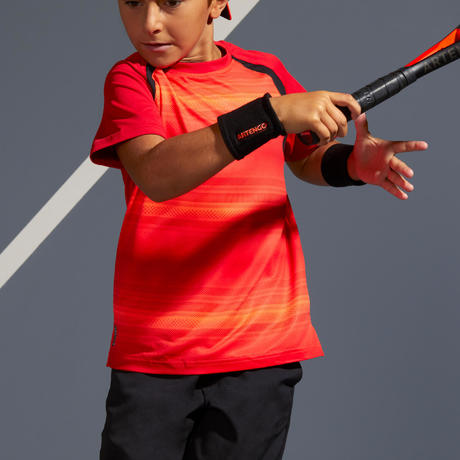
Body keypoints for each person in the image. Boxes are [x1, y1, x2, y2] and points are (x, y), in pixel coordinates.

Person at [90, 1, 428, 459]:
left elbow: (302, 155)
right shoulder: (131, 80)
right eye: (132, 2)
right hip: (156, 350)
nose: (149, 22)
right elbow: (155, 173)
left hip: (261, 347)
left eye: (170, 2)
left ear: (216, 3)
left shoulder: (266, 73)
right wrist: (269, 115)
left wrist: (351, 164)